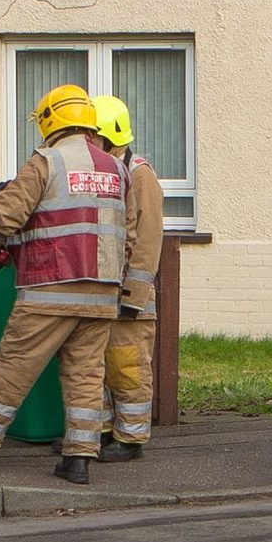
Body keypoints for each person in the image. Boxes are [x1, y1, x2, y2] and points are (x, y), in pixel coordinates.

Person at [0, 85, 124, 482]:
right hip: (103, 290)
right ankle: (78, 458)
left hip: (51, 286)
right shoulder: (115, 168)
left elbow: (7, 216)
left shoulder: (45, 162)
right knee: (86, 373)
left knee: (15, 365)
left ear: (50, 120)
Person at [91, 95, 166, 461]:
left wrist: (133, 296)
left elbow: (148, 239)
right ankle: (102, 431)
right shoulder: (105, 171)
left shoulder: (140, 175)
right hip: (102, 291)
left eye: (92, 136)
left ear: (110, 138)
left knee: (128, 365)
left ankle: (131, 438)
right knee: (99, 364)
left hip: (129, 296)